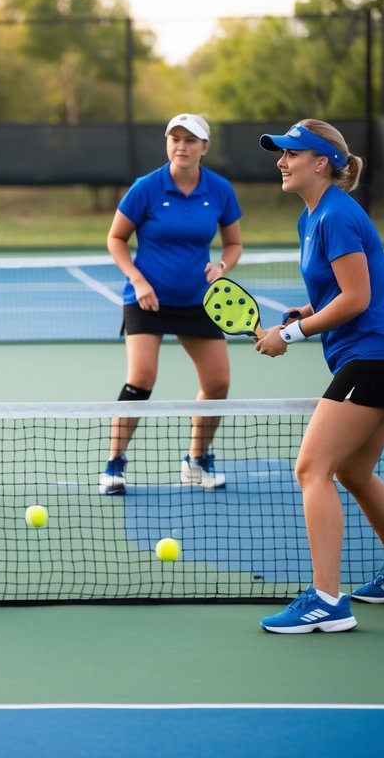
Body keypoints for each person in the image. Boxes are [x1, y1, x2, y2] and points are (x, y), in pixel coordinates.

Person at [254, 119, 384, 634]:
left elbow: (357, 300)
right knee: (353, 473)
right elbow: (343, 289)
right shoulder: (311, 217)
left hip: (374, 356)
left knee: (312, 469)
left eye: (291, 154)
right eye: (280, 154)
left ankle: (326, 601)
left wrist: (290, 335)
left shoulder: (335, 215)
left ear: (321, 163)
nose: (281, 162)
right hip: (382, 355)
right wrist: (307, 311)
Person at [101, 114, 244, 495]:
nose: (181, 146)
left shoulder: (220, 190)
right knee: (141, 379)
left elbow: (233, 243)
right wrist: (138, 280)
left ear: (204, 147)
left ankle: (196, 459)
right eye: (175, 138)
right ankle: (114, 463)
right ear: (167, 144)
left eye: (190, 140)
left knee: (217, 384)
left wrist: (223, 266)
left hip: (198, 300)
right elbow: (116, 238)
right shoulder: (145, 188)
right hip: (147, 299)